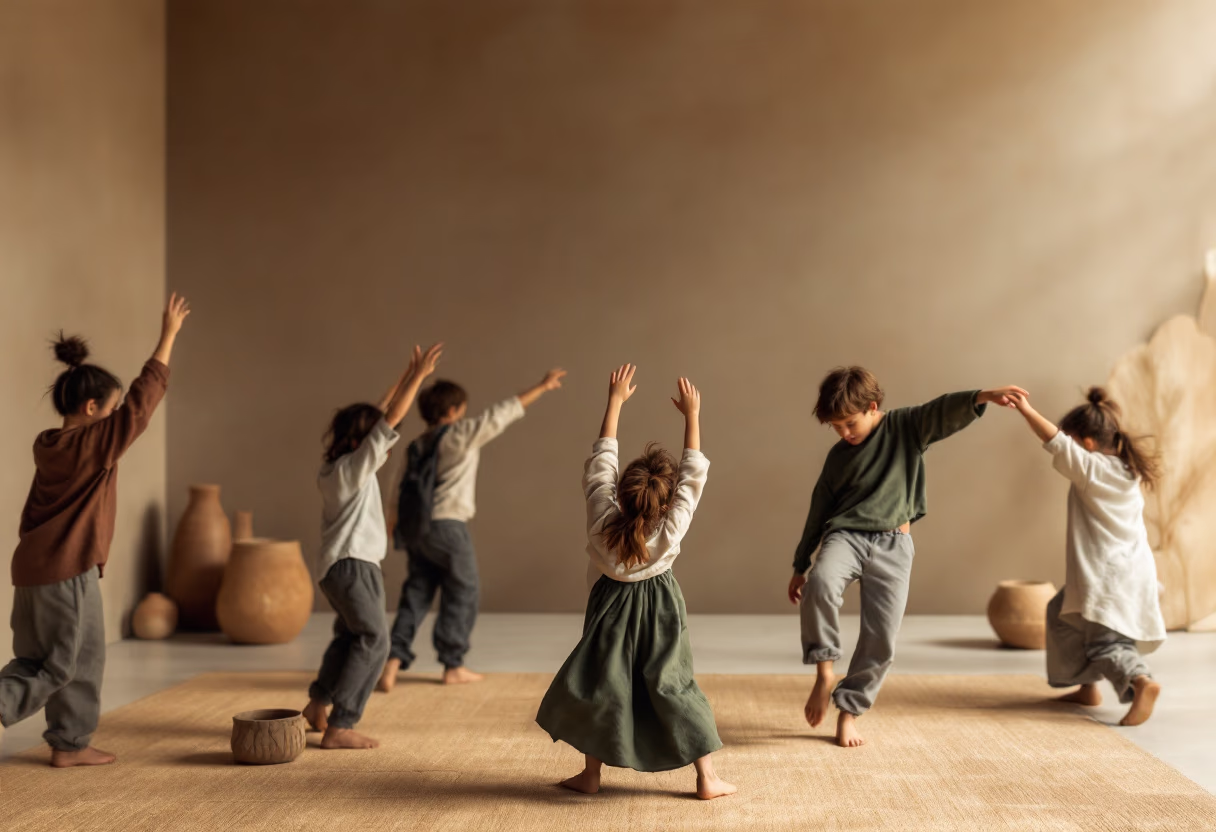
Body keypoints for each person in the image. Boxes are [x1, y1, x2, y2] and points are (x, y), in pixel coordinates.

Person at [789, 366, 1026, 747]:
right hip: (846, 537)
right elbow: (819, 509)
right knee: (820, 584)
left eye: (850, 423)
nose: (844, 433)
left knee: (881, 637)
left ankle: (849, 712)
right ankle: (825, 672)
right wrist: (801, 564)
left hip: (893, 546)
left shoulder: (905, 428)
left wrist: (981, 396)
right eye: (836, 427)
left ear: (873, 406)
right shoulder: (838, 457)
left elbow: (940, 410)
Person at [0, 294, 190, 767]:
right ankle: (68, 742)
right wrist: (167, 337)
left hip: (33, 571)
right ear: (89, 408)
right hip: (66, 571)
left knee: (43, 658)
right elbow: (142, 405)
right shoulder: (92, 444)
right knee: (67, 664)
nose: (115, 420)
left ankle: (70, 744)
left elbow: (128, 412)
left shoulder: (50, 445)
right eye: (109, 411)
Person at [536, 364, 735, 800]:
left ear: (621, 495)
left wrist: (615, 401)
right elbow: (692, 479)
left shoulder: (601, 519)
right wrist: (692, 416)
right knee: (673, 683)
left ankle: (591, 775)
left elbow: (601, 462)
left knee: (605, 684)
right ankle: (707, 778)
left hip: (609, 605)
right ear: (664, 504)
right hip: (660, 605)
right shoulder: (670, 528)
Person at [378, 366, 566, 690]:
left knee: (417, 592)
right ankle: (453, 664)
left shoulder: (415, 446)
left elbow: (397, 487)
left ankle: (392, 662)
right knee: (464, 590)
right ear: (453, 411)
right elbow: (502, 414)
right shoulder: (460, 435)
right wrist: (541, 387)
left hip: (416, 530)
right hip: (449, 527)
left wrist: (392, 522)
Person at [302, 343, 442, 749]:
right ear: (365, 441)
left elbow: (381, 415)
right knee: (376, 641)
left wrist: (404, 374)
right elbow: (390, 419)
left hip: (335, 568)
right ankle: (340, 725)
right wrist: (419, 377)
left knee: (350, 636)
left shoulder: (333, 468)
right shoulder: (354, 469)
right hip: (354, 566)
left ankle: (318, 704)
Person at [1008, 387, 1165, 725]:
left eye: (1074, 440)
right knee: (1060, 612)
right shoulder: (1126, 470)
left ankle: (1140, 682)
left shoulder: (1092, 469)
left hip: (1108, 578)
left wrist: (1025, 410)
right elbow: (1065, 444)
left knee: (1105, 644)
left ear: (1089, 444)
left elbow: (1055, 442)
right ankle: (1086, 687)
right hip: (1133, 572)